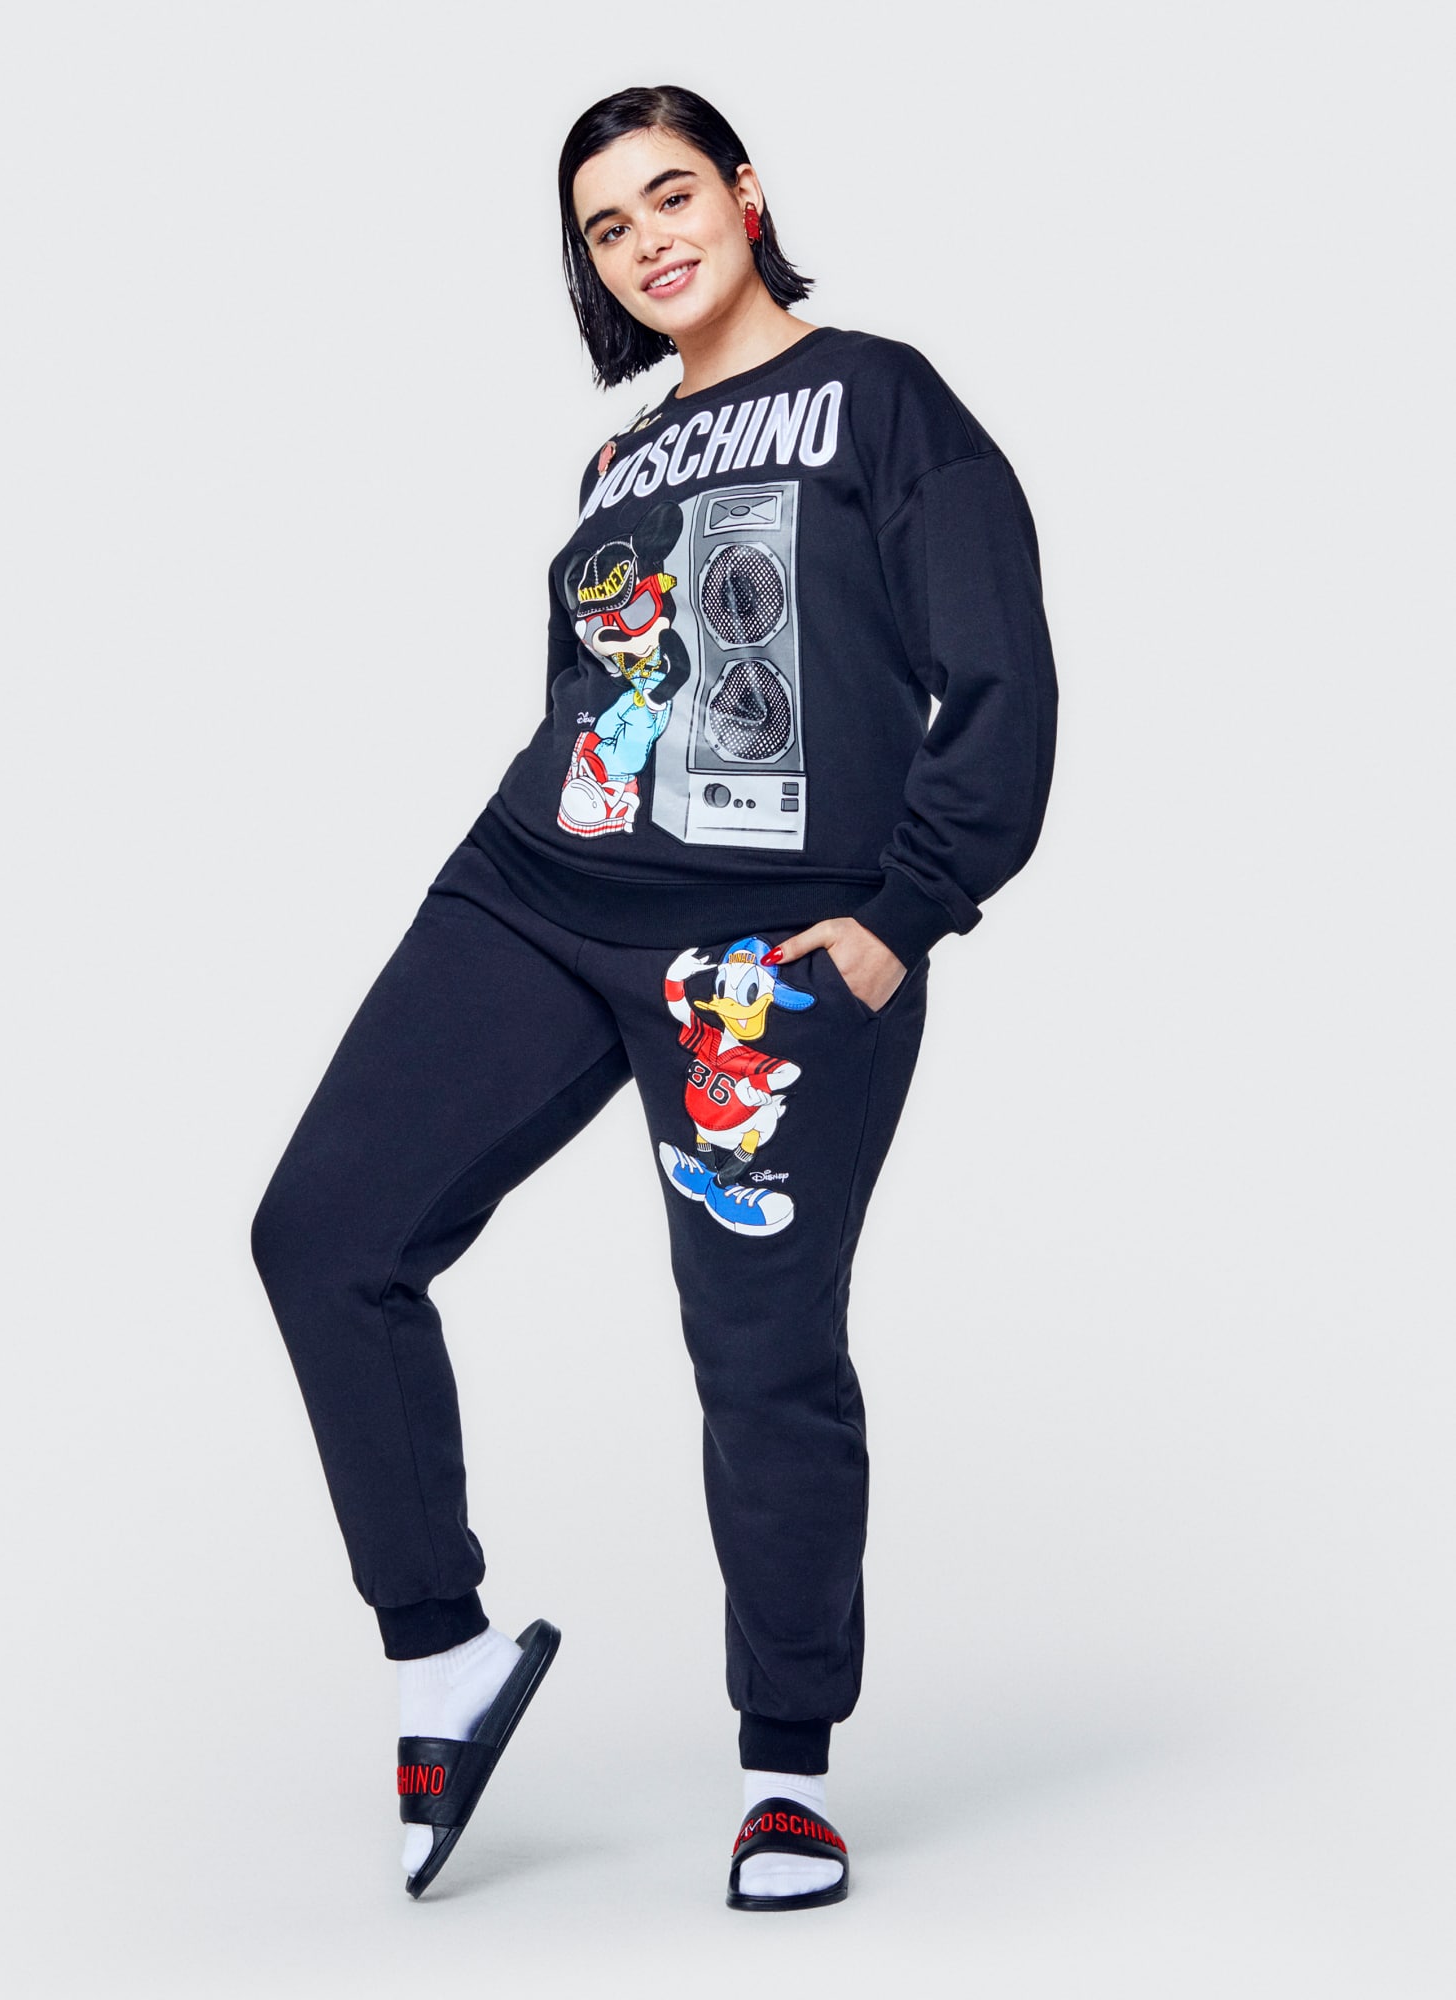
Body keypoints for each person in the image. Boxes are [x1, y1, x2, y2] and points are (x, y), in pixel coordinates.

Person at [251, 82, 1058, 1912]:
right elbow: (597, 695)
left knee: (760, 1354)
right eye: (608, 228)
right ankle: (441, 1655)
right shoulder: (617, 461)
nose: (647, 243)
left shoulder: (882, 397)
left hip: (768, 953)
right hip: (534, 896)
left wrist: (903, 917)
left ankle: (787, 1769)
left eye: (672, 196)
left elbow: (1000, 668)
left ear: (748, 196)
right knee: (324, 1233)